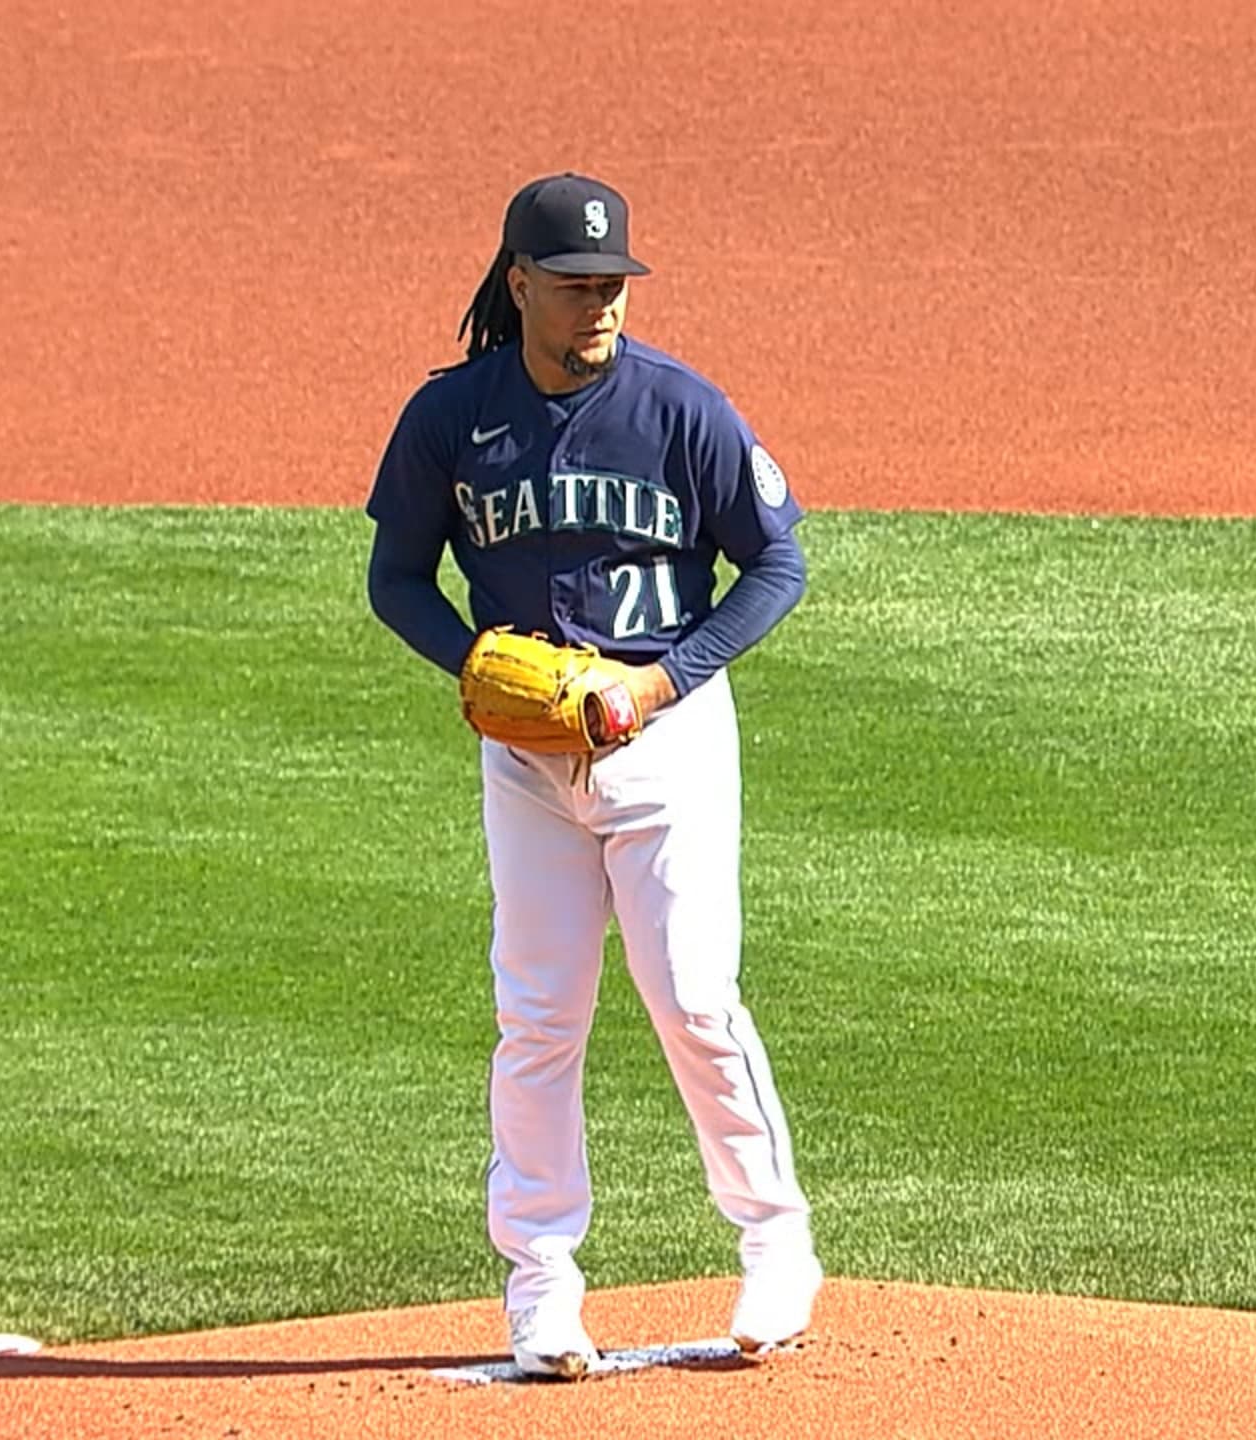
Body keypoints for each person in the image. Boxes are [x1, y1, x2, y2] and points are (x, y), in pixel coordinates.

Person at [362, 172, 821, 1380]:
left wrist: (662, 684)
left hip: (665, 743)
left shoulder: (681, 410)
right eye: (574, 287)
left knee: (692, 997)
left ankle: (775, 1245)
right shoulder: (453, 417)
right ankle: (542, 1289)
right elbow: (394, 575)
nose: (598, 307)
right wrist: (473, 661)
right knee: (539, 1014)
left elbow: (776, 567)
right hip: (526, 759)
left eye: (612, 285)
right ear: (520, 286)